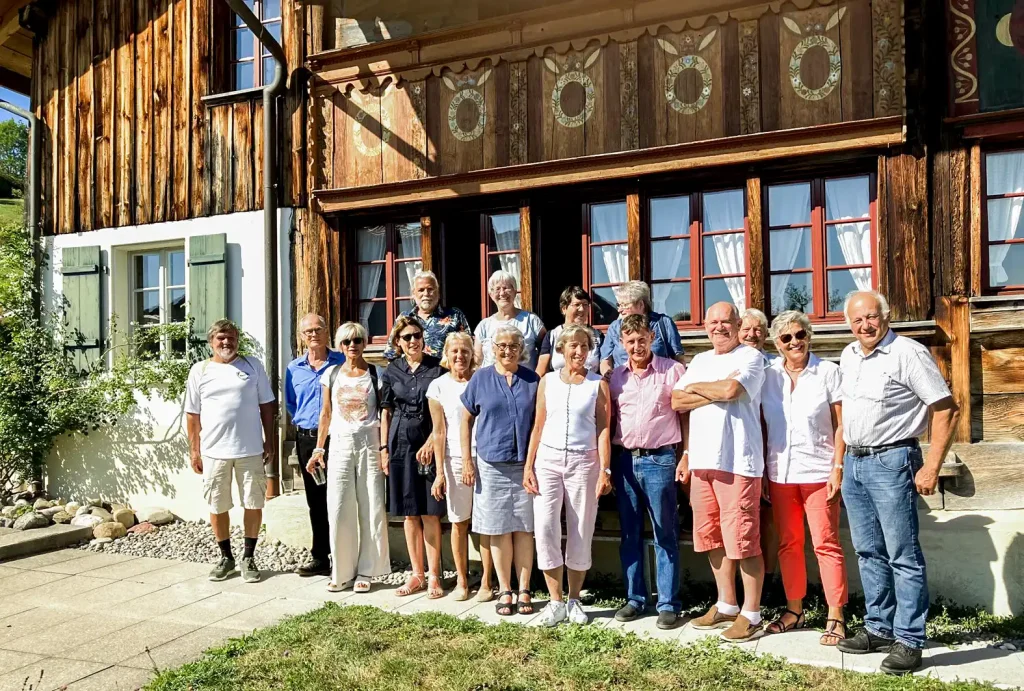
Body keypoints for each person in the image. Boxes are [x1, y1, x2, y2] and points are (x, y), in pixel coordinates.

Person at [836, 291, 959, 675]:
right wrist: (839, 463)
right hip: (855, 462)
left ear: (886, 316)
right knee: (868, 551)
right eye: (857, 321)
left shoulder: (908, 353)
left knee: (902, 555)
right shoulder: (849, 354)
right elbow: (845, 415)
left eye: (871, 317)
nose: (865, 326)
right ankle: (878, 627)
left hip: (893, 461)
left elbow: (946, 408)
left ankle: (909, 639)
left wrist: (932, 465)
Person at [672, 302, 766, 642]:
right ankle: (726, 604)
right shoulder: (700, 361)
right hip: (702, 462)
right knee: (712, 537)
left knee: (743, 539)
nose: (719, 327)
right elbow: (676, 401)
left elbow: (732, 391)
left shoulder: (751, 358)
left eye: (726, 322)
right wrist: (711, 389)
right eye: (713, 322)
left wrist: (700, 388)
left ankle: (752, 613)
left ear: (738, 324)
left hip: (738, 462)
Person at [760, 311, 848, 646]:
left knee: (826, 544)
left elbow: (842, 425)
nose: (795, 342)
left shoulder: (828, 372)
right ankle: (794, 610)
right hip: (781, 472)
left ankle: (835, 616)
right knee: (789, 544)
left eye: (800, 334)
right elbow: (765, 426)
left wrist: (837, 467)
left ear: (809, 335)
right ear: (777, 344)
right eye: (786, 338)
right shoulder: (768, 376)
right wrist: (766, 471)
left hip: (819, 472)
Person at [524, 324, 613, 627]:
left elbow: (603, 429)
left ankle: (574, 599)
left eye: (584, 346)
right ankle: (555, 600)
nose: (578, 351)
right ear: (561, 349)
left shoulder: (597, 384)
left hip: (583, 463)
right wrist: (528, 465)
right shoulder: (547, 381)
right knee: (546, 526)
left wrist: (605, 469)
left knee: (581, 527)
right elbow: (538, 424)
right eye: (572, 346)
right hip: (547, 461)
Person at [608, 314, 686, 629]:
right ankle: (635, 599)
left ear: (651, 338)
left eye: (642, 339)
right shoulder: (615, 378)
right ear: (622, 344)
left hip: (660, 460)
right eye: (630, 341)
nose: (637, 346)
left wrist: (686, 456)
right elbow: (607, 421)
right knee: (629, 534)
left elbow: (685, 416)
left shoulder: (673, 371)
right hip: (624, 461)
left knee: (664, 532)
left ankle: (667, 603)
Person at [185, 319, 276, 583]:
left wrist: (269, 441)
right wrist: (195, 450)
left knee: (253, 502)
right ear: (211, 342)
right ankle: (226, 557)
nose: (227, 343)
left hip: (249, 450)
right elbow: (192, 415)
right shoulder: (200, 371)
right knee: (217, 504)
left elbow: (267, 406)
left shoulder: (252, 366)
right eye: (221, 338)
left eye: (231, 338)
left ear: (238, 340)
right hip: (214, 451)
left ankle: (249, 557)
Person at [460, 324, 540, 616]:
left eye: (513, 346)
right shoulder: (480, 378)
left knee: (523, 527)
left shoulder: (533, 380)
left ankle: (525, 588)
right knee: (497, 529)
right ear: (493, 348)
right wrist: (468, 460)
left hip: (525, 465)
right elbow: (465, 420)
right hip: (490, 464)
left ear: (521, 349)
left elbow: (540, 422)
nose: (507, 351)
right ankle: (505, 588)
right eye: (502, 346)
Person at [306, 322, 390, 593]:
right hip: (340, 443)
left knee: (371, 505)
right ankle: (341, 570)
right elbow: (326, 413)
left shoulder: (377, 373)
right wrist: (319, 448)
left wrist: (384, 448)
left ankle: (367, 570)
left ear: (365, 343)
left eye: (357, 340)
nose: (352, 346)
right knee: (339, 506)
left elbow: (384, 413)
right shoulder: (331, 374)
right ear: (340, 346)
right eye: (346, 342)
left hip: (369, 443)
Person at [380, 315, 448, 598]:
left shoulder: (437, 369)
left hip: (429, 439)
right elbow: (385, 410)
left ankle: (434, 575)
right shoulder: (391, 370)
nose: (412, 341)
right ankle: (416, 574)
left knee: (430, 512)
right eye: (406, 337)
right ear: (398, 342)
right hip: (400, 444)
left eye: (417, 336)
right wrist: (383, 448)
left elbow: (444, 414)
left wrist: (433, 441)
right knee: (409, 512)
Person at [427, 332, 493, 602]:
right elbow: (438, 432)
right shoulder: (438, 387)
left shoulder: (484, 379)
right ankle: (462, 581)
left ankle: (489, 582)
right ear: (447, 354)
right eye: (454, 351)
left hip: (486, 457)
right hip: (454, 460)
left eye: (465, 351)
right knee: (459, 522)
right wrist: (440, 473)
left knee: (488, 523)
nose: (460, 356)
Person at [285, 314, 345, 577]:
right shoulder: (293, 369)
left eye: (318, 329)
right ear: (301, 337)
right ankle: (320, 556)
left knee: (341, 497)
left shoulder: (341, 362)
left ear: (326, 331)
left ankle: (344, 556)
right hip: (307, 439)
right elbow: (291, 403)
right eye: (308, 331)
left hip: (338, 438)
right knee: (316, 499)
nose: (313, 335)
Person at [739, 307, 781, 596]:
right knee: (742, 518)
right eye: (746, 329)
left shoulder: (776, 366)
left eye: (758, 329)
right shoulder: (729, 362)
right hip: (742, 448)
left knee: (767, 518)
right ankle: (742, 585)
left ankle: (769, 581)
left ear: (766, 335)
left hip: (773, 445)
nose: (752, 334)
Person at [599, 280, 685, 376]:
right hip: (623, 384)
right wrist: (609, 376)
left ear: (641, 304)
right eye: (619, 305)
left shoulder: (663, 323)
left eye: (625, 305)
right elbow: (605, 360)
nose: (619, 310)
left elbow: (678, 358)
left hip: (658, 382)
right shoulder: (615, 327)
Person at [383, 270, 470, 360]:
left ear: (438, 292)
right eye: (421, 290)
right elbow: (391, 353)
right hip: (410, 372)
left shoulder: (455, 315)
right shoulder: (404, 318)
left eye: (430, 289)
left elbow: (468, 348)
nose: (426, 294)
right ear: (413, 294)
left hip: (444, 372)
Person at [474, 270, 547, 371]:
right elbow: (477, 362)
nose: (502, 293)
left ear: (515, 291)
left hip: (525, 383)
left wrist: (537, 378)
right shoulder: (484, 326)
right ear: (490, 294)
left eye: (506, 288)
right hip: (491, 384)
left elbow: (545, 353)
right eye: (497, 289)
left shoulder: (531, 320)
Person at [536, 286, 603, 375]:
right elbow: (541, 371)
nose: (582, 309)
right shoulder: (552, 335)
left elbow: (605, 364)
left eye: (585, 304)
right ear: (564, 309)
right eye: (577, 304)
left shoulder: (597, 336)